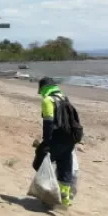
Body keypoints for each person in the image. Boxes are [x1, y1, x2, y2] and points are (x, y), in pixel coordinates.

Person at [35, 77, 80, 207]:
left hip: (57, 138)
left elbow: (48, 123)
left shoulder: (48, 100)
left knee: (41, 162)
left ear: (43, 89)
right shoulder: (64, 99)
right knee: (65, 168)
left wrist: (46, 142)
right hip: (70, 139)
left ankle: (48, 194)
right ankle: (65, 198)